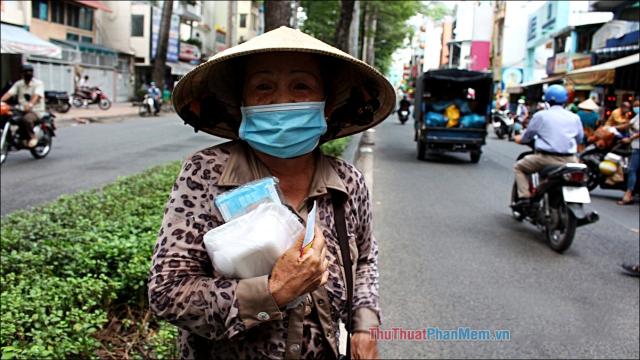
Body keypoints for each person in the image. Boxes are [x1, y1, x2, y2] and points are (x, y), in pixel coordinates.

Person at [148, 26, 393, 359]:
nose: (282, 101)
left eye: (301, 86)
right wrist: (273, 291)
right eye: (263, 86)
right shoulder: (205, 173)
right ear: (241, 102)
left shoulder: (347, 182)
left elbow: (365, 260)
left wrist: (364, 326)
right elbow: (167, 293)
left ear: (328, 104)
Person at [512, 84, 583, 210]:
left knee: (519, 167)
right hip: (571, 160)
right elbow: (579, 139)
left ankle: (525, 198)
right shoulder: (574, 117)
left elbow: (527, 136)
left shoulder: (541, 116)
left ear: (547, 100)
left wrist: (519, 139)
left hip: (546, 158)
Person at [0, 64, 45, 148]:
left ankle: (33, 137)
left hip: (36, 110)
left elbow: (36, 96)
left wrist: (30, 105)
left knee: (27, 119)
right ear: (22, 74)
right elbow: (9, 93)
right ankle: (10, 138)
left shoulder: (38, 83)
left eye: (30, 71)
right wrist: (1, 101)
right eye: (25, 72)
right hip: (21, 109)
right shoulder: (19, 84)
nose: (28, 73)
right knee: (6, 117)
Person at [617, 99, 639, 205]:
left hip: (638, 147)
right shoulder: (637, 117)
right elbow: (628, 125)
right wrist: (611, 128)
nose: (636, 108)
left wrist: (630, 139)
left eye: (637, 106)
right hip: (635, 146)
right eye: (634, 106)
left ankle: (628, 194)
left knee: (632, 170)